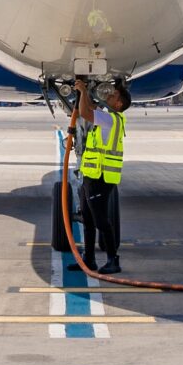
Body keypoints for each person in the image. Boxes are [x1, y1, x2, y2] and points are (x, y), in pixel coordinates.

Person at [75, 79, 130, 274]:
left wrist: (82, 92)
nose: (109, 95)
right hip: (91, 175)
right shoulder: (108, 117)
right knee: (88, 220)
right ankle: (89, 260)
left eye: (113, 95)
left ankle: (113, 260)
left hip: (101, 177)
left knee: (101, 221)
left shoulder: (111, 119)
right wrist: (85, 94)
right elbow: (90, 108)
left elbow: (85, 113)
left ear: (119, 104)